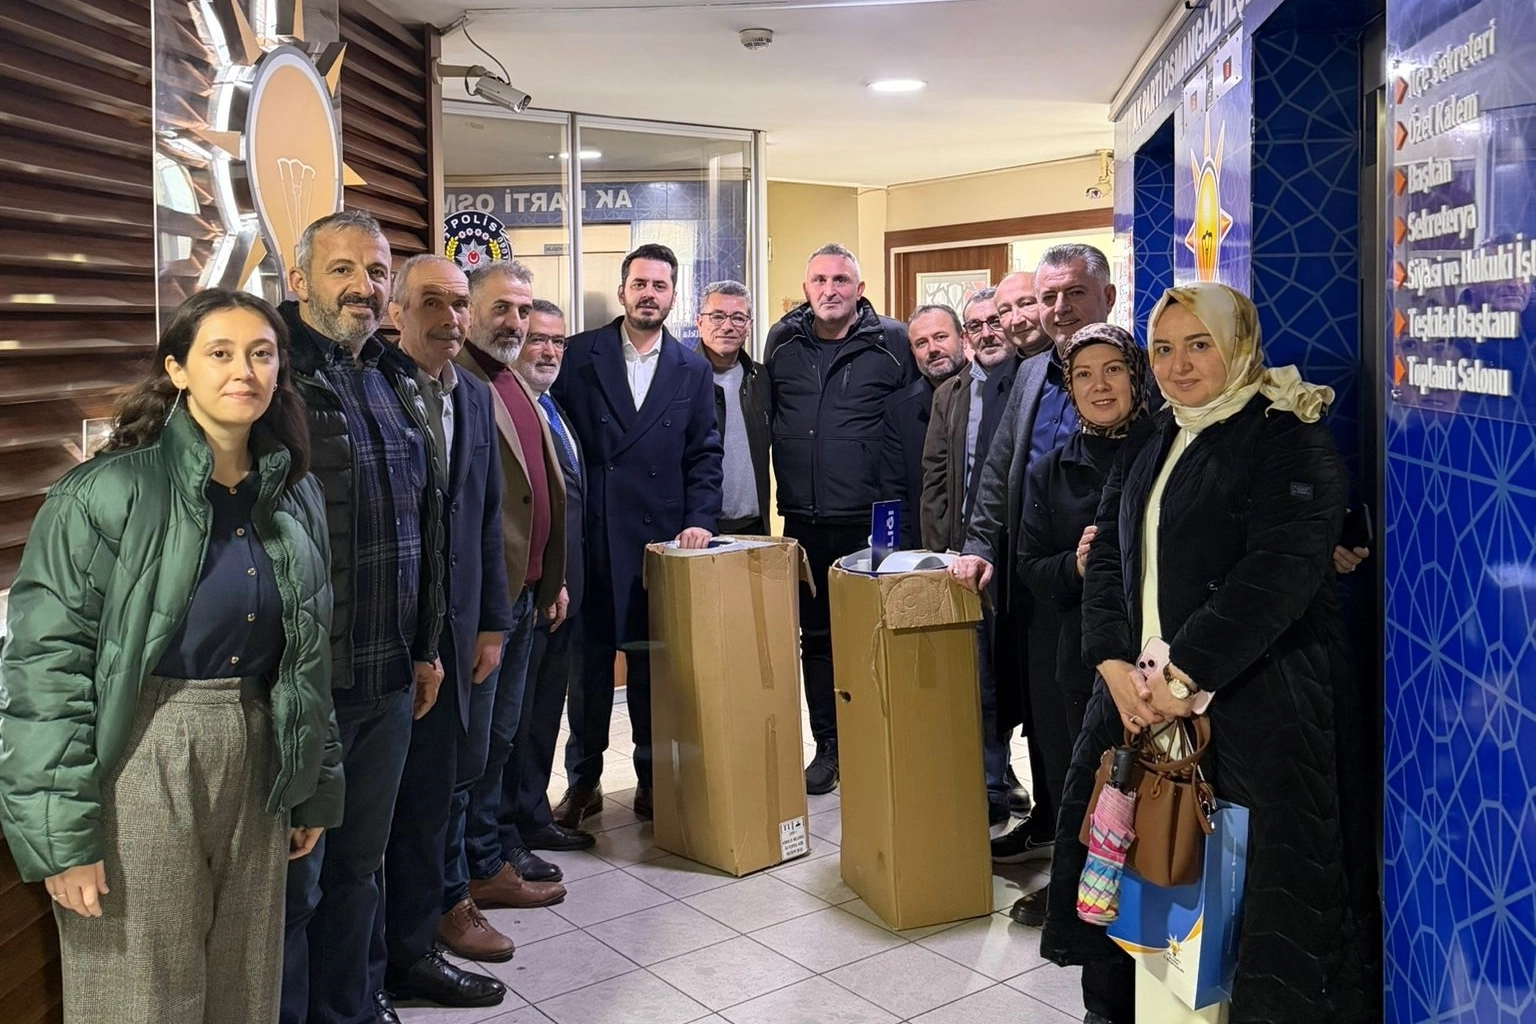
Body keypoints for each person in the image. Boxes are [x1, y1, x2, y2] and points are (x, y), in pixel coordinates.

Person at [0, 289, 341, 1024]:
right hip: (139, 748)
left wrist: (312, 781)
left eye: (261, 354)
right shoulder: (105, 492)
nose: (243, 370)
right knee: (138, 994)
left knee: (246, 990)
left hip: (259, 743)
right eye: (220, 353)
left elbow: (308, 655)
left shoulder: (293, 494)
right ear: (177, 369)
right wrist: (63, 838)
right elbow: (44, 668)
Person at [1041, 282, 1379, 1024]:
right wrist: (1111, 665)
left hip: (1254, 713)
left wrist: (1185, 673)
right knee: (1143, 892)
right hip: (1137, 705)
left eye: (1199, 345)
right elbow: (1108, 559)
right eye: (1164, 349)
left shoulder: (1286, 437)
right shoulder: (1155, 435)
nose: (1179, 365)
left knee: (1256, 916)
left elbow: (1277, 575)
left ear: (1238, 345)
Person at [279, 210, 447, 1024]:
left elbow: (426, 521)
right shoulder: (272, 378)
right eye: (342, 268)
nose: (363, 286)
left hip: (387, 676)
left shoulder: (392, 376)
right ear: (299, 280)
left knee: (359, 867)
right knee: (296, 884)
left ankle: (354, 1008)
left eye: (377, 271)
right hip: (309, 686)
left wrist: (426, 646)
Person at [955, 244, 1114, 886]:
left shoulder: (1128, 369)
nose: (1059, 308)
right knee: (1046, 719)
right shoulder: (1029, 374)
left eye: (1074, 293)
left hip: (1103, 587)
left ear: (1107, 297)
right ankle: (1050, 823)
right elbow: (999, 470)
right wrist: (978, 544)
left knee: (1090, 731)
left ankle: (1086, 873)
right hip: (1035, 578)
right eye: (1049, 297)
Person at [380, 256, 513, 1002]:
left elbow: (486, 517)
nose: (452, 318)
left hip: (457, 637)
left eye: (460, 304)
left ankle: (415, 949)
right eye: (431, 302)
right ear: (396, 311)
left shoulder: (475, 394)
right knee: (381, 818)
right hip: (389, 640)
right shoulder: (376, 389)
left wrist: (492, 622)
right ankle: (378, 965)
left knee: (433, 802)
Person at [552, 243, 723, 822]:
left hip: (659, 545)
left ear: (674, 296)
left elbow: (704, 455)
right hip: (592, 539)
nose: (649, 294)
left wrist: (699, 520)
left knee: (652, 672)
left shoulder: (692, 369)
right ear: (623, 289)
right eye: (641, 284)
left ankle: (651, 779)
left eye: (660, 285)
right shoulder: (579, 355)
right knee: (588, 670)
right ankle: (583, 782)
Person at [442, 261, 569, 952]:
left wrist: (551, 578)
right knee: (473, 750)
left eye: (523, 310)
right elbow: (472, 515)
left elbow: (538, 491)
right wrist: (489, 612)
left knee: (499, 740)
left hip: (524, 596)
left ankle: (486, 862)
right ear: (469, 310)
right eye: (502, 308)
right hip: (484, 609)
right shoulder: (460, 382)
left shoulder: (511, 379)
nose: (515, 323)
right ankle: (460, 880)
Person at [764, 242, 912, 794]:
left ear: (860, 289)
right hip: (804, 520)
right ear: (806, 289)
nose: (830, 289)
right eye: (820, 280)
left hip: (873, 522)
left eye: (841, 280)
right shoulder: (782, 342)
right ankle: (828, 745)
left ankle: (877, 738)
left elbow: (911, 425)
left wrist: (899, 519)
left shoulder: (893, 342)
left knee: (876, 635)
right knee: (818, 639)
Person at [1017, 323, 1153, 750]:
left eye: (1113, 369)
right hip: (1080, 662)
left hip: (1161, 660)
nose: (1100, 386)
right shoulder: (1050, 471)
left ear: (1136, 374)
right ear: (1070, 388)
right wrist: (1076, 567)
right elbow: (1030, 566)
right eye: (1083, 374)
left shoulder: (1167, 452)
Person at [921, 287, 1026, 825]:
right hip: (965, 557)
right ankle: (991, 785)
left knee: (1018, 678)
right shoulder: (951, 394)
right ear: (967, 338)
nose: (987, 333)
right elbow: (936, 479)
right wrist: (940, 551)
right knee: (979, 680)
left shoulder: (1033, 382)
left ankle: (1019, 780)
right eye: (976, 326)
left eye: (994, 321)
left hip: (1023, 557)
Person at [503, 300, 594, 861]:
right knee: (513, 723)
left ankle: (532, 815)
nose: (549, 351)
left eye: (558, 342)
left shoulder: (553, 408)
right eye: (537, 339)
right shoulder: (507, 409)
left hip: (562, 590)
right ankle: (506, 833)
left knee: (542, 714)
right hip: (530, 591)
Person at [879, 303, 968, 548]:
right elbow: (893, 492)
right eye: (921, 343)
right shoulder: (899, 409)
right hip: (921, 550)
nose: (933, 349)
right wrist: (896, 558)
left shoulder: (992, 393)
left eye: (940, 337)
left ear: (963, 338)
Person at [696, 280, 771, 536]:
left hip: (754, 528)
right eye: (717, 316)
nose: (727, 326)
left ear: (749, 326)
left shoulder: (760, 379)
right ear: (699, 322)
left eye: (738, 318)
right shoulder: (679, 379)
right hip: (697, 529)